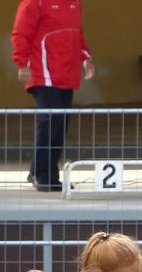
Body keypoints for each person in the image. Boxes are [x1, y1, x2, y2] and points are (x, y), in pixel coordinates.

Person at [11, 0, 94, 192]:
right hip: (44, 73)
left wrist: (86, 58)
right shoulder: (34, 3)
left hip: (67, 73)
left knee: (61, 123)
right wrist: (22, 63)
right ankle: (40, 173)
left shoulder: (74, 3)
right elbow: (20, 34)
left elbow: (76, 34)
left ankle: (49, 176)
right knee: (51, 120)